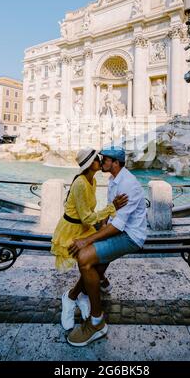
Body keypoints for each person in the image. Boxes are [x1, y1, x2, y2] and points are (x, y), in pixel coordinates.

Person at [66, 146, 147, 347]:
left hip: (130, 237)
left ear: (116, 163)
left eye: (105, 159)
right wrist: (100, 228)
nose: (101, 161)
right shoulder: (113, 181)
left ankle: (96, 321)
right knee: (93, 264)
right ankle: (80, 292)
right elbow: (112, 217)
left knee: (84, 259)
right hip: (118, 230)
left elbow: (119, 225)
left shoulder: (128, 185)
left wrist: (88, 239)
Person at [51, 147, 128, 331]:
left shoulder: (91, 180)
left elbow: (89, 214)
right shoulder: (81, 184)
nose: (101, 161)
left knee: (104, 253)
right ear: (90, 164)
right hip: (71, 231)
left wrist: (102, 223)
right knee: (92, 260)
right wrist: (111, 208)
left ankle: (82, 294)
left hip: (84, 227)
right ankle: (71, 297)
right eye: (97, 159)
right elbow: (86, 217)